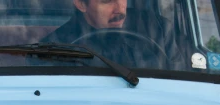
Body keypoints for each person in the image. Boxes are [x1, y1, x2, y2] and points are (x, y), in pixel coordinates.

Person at [41, 0, 184, 69]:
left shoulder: (158, 29)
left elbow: (180, 82)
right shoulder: (54, 49)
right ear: (81, 4)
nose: (120, 9)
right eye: (107, 1)